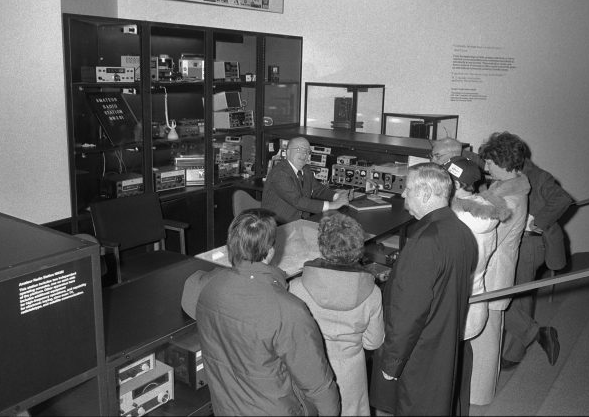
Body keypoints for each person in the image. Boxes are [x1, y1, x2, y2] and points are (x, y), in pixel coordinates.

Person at [195, 208, 340, 416]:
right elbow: (318, 387)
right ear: (270, 251)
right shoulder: (289, 310)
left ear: (231, 246)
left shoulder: (208, 290)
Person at [369, 162, 478, 416]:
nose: (403, 194)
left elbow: (408, 313)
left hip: (420, 351)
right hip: (445, 341)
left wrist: (392, 362)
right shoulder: (462, 232)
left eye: (408, 189)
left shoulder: (424, 242)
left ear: (426, 194)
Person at [289, 212, 385, 416]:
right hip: (352, 373)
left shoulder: (297, 288)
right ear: (358, 248)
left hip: (311, 372)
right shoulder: (373, 293)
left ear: (322, 246)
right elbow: (373, 342)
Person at [443, 156, 511, 414]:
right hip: (475, 298)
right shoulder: (484, 211)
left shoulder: (456, 220)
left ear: (454, 182)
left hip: (459, 301)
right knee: (463, 359)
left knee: (449, 369)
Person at [469, 131, 531, 406]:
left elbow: (490, 237)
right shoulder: (508, 188)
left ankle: (480, 397)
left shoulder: (511, 199)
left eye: (491, 162)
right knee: (488, 334)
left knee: (486, 338)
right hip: (495, 273)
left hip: (493, 277)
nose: (486, 167)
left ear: (504, 162)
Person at [501, 156, 573, 369]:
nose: (487, 167)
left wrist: (537, 222)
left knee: (515, 295)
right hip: (518, 241)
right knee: (515, 294)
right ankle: (523, 344)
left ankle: (523, 344)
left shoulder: (538, 176)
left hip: (531, 243)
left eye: (490, 162)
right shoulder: (514, 175)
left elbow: (562, 198)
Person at [262, 136, 349, 224]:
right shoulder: (280, 173)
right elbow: (298, 201)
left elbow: (318, 190)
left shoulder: (305, 169)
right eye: (299, 150)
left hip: (301, 222)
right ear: (287, 152)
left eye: (307, 151)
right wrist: (332, 205)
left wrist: (338, 196)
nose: (304, 155)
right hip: (278, 226)